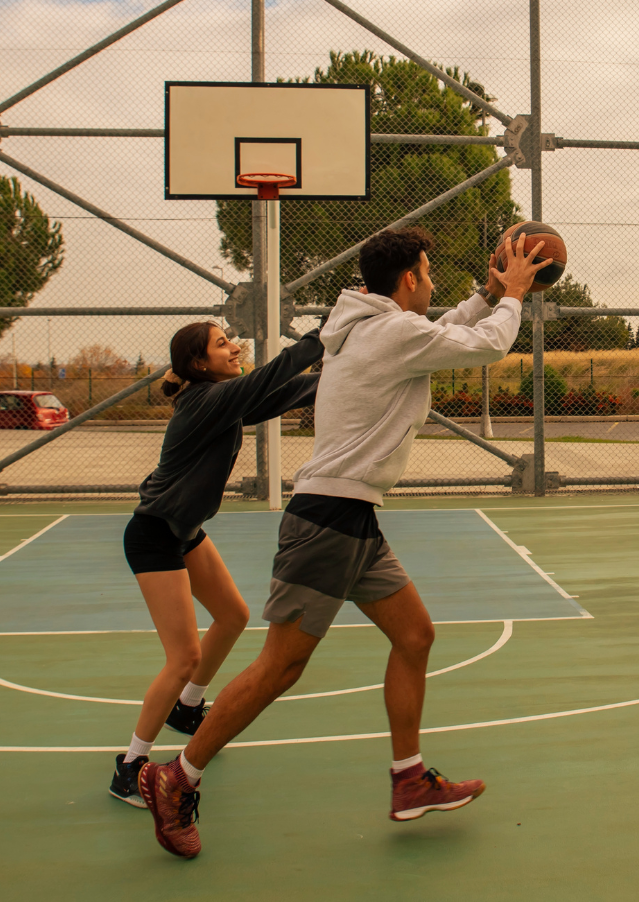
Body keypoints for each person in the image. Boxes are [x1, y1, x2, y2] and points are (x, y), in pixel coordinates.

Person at [139, 225, 551, 859]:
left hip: (353, 517)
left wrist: (486, 291)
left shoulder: (379, 325)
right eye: (428, 270)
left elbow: (448, 330)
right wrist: (514, 296)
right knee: (281, 665)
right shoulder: (392, 333)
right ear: (409, 278)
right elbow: (484, 345)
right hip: (327, 520)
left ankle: (409, 778)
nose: (432, 281)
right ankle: (177, 776)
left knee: (415, 635)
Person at [108, 322, 323, 808]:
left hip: (183, 532)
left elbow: (287, 392)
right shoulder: (205, 401)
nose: (235, 347)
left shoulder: (222, 399)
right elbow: (272, 378)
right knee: (182, 657)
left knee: (233, 616)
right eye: (222, 344)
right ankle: (130, 766)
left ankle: (187, 710)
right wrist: (322, 335)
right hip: (155, 536)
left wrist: (352, 373)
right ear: (199, 364)